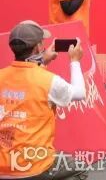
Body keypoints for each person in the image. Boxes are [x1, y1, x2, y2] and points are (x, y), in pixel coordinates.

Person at [0, 20, 87, 179]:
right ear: (38, 47)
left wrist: (42, 61)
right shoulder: (48, 80)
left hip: (3, 165)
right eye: (42, 42)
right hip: (34, 166)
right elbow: (80, 93)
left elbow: (26, 76)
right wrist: (75, 61)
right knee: (79, 168)